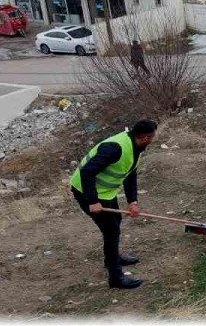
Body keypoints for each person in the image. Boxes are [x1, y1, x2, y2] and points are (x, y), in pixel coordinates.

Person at [69, 119, 157, 289]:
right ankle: (116, 278)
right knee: (111, 230)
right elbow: (87, 172)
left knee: (115, 222)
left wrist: (132, 201)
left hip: (104, 191)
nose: (154, 140)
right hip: (86, 191)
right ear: (146, 137)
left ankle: (112, 258)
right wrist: (93, 201)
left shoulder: (136, 146)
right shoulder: (114, 148)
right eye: (153, 137)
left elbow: (130, 173)